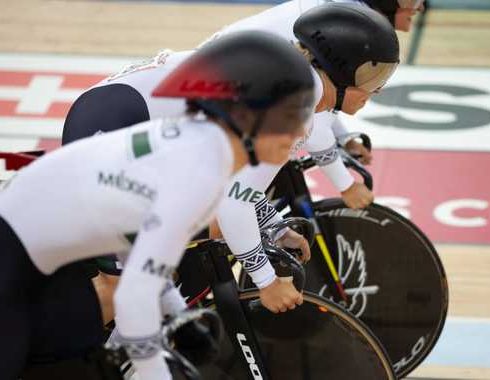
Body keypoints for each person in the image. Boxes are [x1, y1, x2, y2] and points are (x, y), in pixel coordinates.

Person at [0, 31, 315, 380]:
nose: (303, 130)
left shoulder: (205, 150)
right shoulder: (201, 173)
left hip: (38, 247)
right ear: (250, 120)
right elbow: (134, 297)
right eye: (293, 116)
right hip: (18, 253)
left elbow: (144, 252)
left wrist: (178, 315)